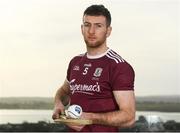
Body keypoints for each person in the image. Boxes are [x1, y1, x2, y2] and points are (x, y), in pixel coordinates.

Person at [52, 4, 135, 132]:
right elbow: (64, 91)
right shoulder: (75, 62)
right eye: (87, 25)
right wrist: (58, 103)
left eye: (98, 26)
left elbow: (129, 117)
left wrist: (88, 117)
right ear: (82, 29)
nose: (91, 31)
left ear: (108, 31)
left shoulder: (118, 66)